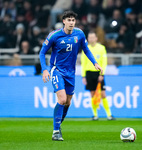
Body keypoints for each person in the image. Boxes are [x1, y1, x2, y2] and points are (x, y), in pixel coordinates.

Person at [39, 11, 103, 141]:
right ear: (64, 21)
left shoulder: (79, 34)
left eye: (73, 20)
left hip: (71, 73)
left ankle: (58, 126)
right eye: (69, 20)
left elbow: (86, 49)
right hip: (57, 70)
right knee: (62, 99)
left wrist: (95, 63)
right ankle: (56, 131)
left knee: (67, 103)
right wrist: (45, 70)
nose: (71, 23)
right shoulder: (54, 35)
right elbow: (42, 52)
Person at [81, 31, 115, 121]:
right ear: (88, 39)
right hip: (89, 73)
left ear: (96, 38)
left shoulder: (101, 48)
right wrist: (83, 76)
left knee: (103, 93)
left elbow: (104, 62)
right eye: (90, 37)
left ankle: (109, 115)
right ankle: (95, 115)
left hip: (98, 73)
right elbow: (83, 63)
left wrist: (102, 74)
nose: (91, 39)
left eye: (93, 37)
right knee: (92, 94)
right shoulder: (85, 49)